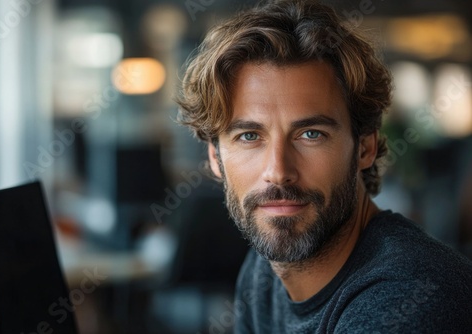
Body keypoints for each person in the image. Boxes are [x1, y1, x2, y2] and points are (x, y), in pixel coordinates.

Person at [176, 0, 472, 332]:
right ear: (215, 158)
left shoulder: (407, 301)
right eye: (249, 136)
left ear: (365, 147)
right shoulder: (265, 267)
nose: (278, 170)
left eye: (310, 134)